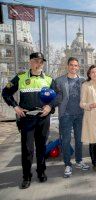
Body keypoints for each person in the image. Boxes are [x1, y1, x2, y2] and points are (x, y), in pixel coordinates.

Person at [2, 52, 55, 189]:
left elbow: (58, 96)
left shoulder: (49, 79)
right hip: (27, 119)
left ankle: (41, 172)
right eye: (36, 61)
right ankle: (26, 177)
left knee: (42, 147)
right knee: (27, 149)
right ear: (30, 62)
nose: (39, 64)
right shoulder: (20, 77)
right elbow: (5, 93)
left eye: (41, 62)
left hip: (43, 119)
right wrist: (16, 107)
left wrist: (50, 106)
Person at [54, 57, 90, 178]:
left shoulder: (83, 80)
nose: (73, 67)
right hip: (65, 115)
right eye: (71, 65)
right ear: (67, 66)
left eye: (75, 65)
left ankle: (79, 161)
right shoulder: (59, 80)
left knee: (79, 139)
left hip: (80, 114)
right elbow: (54, 97)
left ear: (78, 67)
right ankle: (67, 164)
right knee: (66, 140)